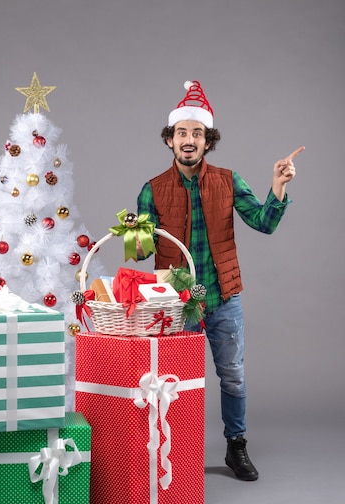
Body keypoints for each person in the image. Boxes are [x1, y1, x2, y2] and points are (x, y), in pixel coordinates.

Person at [136, 80, 304, 481]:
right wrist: (132, 231)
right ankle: (179, 452)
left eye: (197, 133)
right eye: (181, 133)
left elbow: (263, 223)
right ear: (170, 141)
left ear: (207, 142)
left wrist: (277, 188)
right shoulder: (153, 189)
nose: (189, 139)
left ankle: (236, 447)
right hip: (177, 304)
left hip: (224, 297)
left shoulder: (228, 181)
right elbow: (141, 251)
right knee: (174, 382)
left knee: (233, 375)